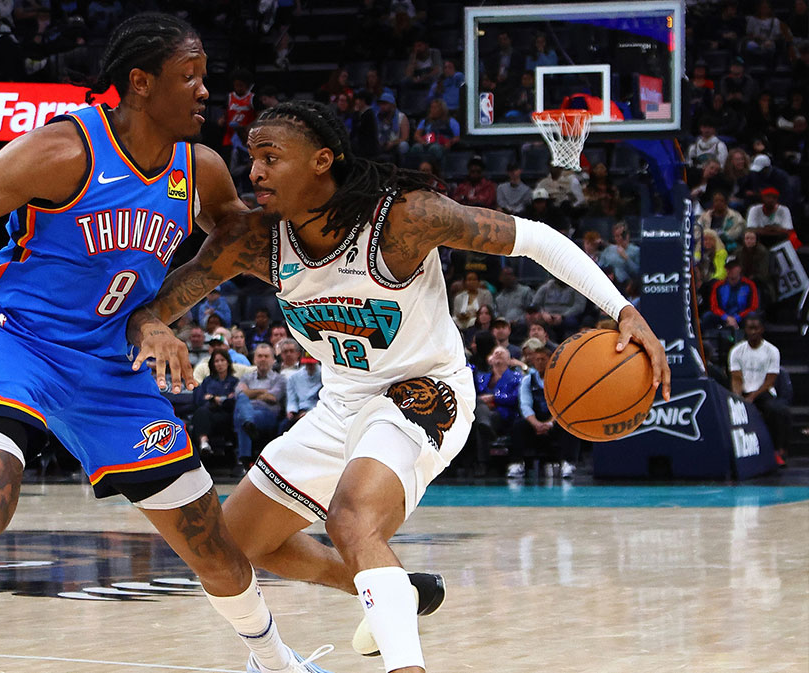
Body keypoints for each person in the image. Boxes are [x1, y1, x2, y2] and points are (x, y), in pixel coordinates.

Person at [127, 99, 668, 673]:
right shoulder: (255, 241)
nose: (254, 172)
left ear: (321, 161)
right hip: (341, 403)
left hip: (426, 391)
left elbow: (533, 238)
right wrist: (151, 324)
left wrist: (621, 307)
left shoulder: (404, 218)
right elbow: (159, 307)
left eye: (270, 157)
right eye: (251, 158)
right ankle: (391, 587)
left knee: (351, 520)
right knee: (230, 546)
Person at [0, 14, 329, 673]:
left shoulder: (200, 170)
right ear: (140, 83)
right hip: (15, 343)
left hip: (108, 365)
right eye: (190, 77)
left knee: (211, 539)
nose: (207, 89)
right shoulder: (63, 151)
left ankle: (276, 663)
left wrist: (342, 272)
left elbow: (241, 250)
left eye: (205, 74)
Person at [508, 339, 580, 479]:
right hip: (536, 421)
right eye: (537, 359)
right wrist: (536, 424)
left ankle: (568, 463)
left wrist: (550, 423)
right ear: (533, 362)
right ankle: (517, 464)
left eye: (543, 359)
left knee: (570, 426)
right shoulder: (528, 380)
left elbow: (563, 406)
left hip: (555, 420)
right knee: (517, 425)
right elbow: (525, 405)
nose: (540, 362)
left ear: (551, 361)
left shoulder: (560, 379)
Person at [729, 315, 791, 466]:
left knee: (778, 410)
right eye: (750, 328)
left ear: (762, 329)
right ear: (746, 330)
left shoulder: (772, 351)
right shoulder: (736, 351)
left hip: (763, 393)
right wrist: (738, 397)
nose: (753, 331)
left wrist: (753, 397)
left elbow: (770, 380)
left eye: (756, 328)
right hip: (743, 392)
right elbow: (736, 378)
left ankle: (778, 451)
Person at [233, 342, 286, 473]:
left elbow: (273, 398)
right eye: (260, 356)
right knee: (242, 403)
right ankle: (248, 423)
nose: (263, 359)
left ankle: (244, 461)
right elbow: (238, 393)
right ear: (254, 359)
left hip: (267, 414)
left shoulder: (280, 379)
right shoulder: (246, 377)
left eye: (266, 356)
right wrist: (263, 392)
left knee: (242, 412)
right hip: (249, 410)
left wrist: (250, 393)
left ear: (273, 360)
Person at [190, 349, 238, 456]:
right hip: (208, 412)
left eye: (222, 360)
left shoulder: (234, 381)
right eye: (216, 361)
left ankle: (204, 443)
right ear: (213, 364)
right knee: (201, 411)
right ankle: (204, 443)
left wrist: (214, 398)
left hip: (226, 415)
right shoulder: (208, 380)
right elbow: (200, 400)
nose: (220, 364)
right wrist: (221, 398)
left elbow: (232, 402)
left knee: (202, 413)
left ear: (228, 362)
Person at [703, 261, 761, 331]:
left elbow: (753, 306)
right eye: (729, 268)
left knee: (752, 316)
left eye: (733, 267)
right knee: (708, 316)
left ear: (739, 269)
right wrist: (726, 317)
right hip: (723, 316)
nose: (731, 270)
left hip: (742, 316)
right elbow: (714, 306)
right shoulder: (718, 285)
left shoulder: (749, 285)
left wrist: (737, 317)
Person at [598, 222, 641, 287]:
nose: (620, 238)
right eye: (617, 236)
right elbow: (599, 267)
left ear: (627, 235)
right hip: (609, 284)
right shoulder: (608, 249)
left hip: (627, 285)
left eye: (623, 235)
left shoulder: (636, 250)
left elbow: (637, 272)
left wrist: (626, 258)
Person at [284, 355, 321, 427]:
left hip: (317, 412)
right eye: (308, 364)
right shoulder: (293, 378)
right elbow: (292, 398)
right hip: (299, 411)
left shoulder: (323, 376)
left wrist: (309, 412)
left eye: (312, 364)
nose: (310, 366)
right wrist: (291, 411)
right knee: (284, 426)